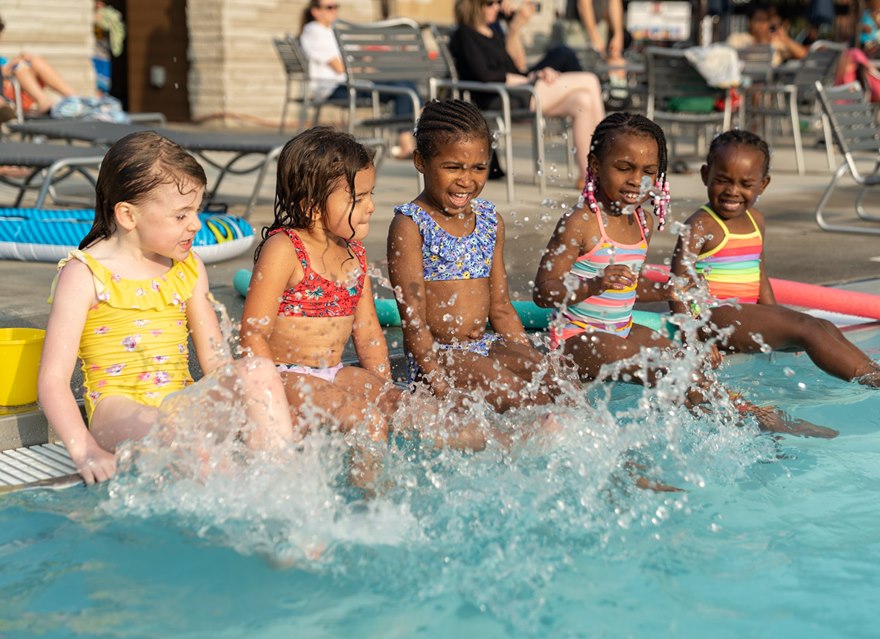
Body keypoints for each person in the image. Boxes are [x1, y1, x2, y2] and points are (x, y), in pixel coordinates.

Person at [533, 113, 836, 437]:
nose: (637, 180)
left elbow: (626, 288)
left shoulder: (642, 221)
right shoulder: (580, 222)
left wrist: (666, 291)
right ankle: (752, 422)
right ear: (595, 165)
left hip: (622, 330)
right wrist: (593, 284)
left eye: (649, 172)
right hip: (577, 338)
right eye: (624, 168)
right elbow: (543, 291)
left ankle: (749, 419)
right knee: (668, 370)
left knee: (688, 365)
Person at [37, 132, 295, 485]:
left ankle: (280, 484)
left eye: (196, 210)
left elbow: (215, 361)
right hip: (117, 411)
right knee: (190, 442)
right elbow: (52, 381)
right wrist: (85, 450)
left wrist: (249, 399)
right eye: (181, 215)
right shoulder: (84, 275)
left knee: (259, 371)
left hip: (179, 404)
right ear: (128, 215)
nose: (196, 224)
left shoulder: (188, 267)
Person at [241, 126, 503, 462]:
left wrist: (385, 391)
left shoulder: (354, 253)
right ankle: (372, 492)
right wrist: (270, 401)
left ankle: (503, 443)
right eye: (358, 198)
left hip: (334, 372)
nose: (371, 207)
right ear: (312, 206)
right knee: (367, 420)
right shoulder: (285, 249)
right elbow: (253, 333)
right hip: (285, 375)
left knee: (412, 410)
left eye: (371, 195)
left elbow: (367, 335)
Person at [670, 130, 880, 391]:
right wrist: (692, 339)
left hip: (743, 315)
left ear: (763, 184)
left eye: (746, 184)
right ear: (705, 175)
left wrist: (778, 316)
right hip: (712, 317)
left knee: (823, 326)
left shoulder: (756, 220)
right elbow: (677, 284)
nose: (733, 191)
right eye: (723, 180)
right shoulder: (700, 225)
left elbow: (759, 275)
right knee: (807, 329)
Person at [388, 99, 573, 413]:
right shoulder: (411, 225)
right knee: (520, 397)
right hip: (439, 356)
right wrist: (437, 382)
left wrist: (530, 359)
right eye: (452, 167)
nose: (467, 180)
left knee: (561, 385)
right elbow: (413, 320)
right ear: (420, 161)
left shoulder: (489, 221)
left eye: (478, 167)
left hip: (483, 345)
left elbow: (500, 308)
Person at [449, 0, 606, 187]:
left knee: (583, 101)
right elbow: (483, 74)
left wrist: (537, 73)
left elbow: (516, 68)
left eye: (498, 2)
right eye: (490, 3)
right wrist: (522, 80)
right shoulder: (464, 34)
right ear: (473, 5)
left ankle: (589, 176)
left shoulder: (493, 32)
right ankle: (606, 159)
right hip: (497, 97)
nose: (497, 7)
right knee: (590, 80)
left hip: (517, 91)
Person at [298, 0, 416, 158]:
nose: (334, 11)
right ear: (315, 11)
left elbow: (356, 58)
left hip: (352, 82)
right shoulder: (314, 31)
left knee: (405, 84)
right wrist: (363, 69)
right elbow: (340, 67)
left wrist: (366, 64)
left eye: (336, 7)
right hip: (335, 88)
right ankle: (408, 142)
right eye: (329, 7)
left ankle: (412, 136)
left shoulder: (333, 30)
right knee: (402, 88)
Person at [0, 14, 77, 114]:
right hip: (6, 95)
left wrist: (19, 60)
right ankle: (43, 101)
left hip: (17, 89)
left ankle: (74, 97)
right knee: (19, 67)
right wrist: (11, 66)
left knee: (34, 60)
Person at [726, 3, 808, 68]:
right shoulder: (738, 39)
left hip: (771, 82)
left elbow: (804, 56)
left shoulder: (777, 43)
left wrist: (786, 40)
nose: (762, 25)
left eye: (765, 20)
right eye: (758, 20)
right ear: (750, 22)